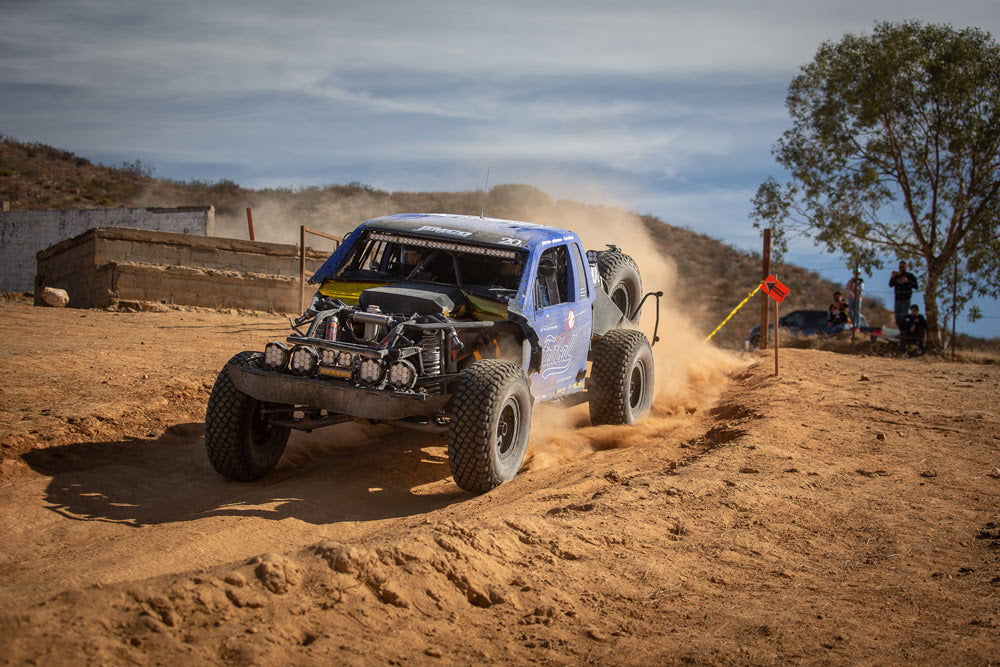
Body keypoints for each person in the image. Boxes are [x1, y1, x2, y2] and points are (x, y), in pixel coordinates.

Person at [889, 261, 919, 328]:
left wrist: (907, 281)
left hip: (905, 299)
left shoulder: (910, 276)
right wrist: (892, 277)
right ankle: (901, 331)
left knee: (903, 317)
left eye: (903, 267)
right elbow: (890, 284)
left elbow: (916, 286)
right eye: (900, 267)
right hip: (897, 299)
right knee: (897, 318)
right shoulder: (897, 276)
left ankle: (904, 332)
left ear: (906, 267)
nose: (901, 268)